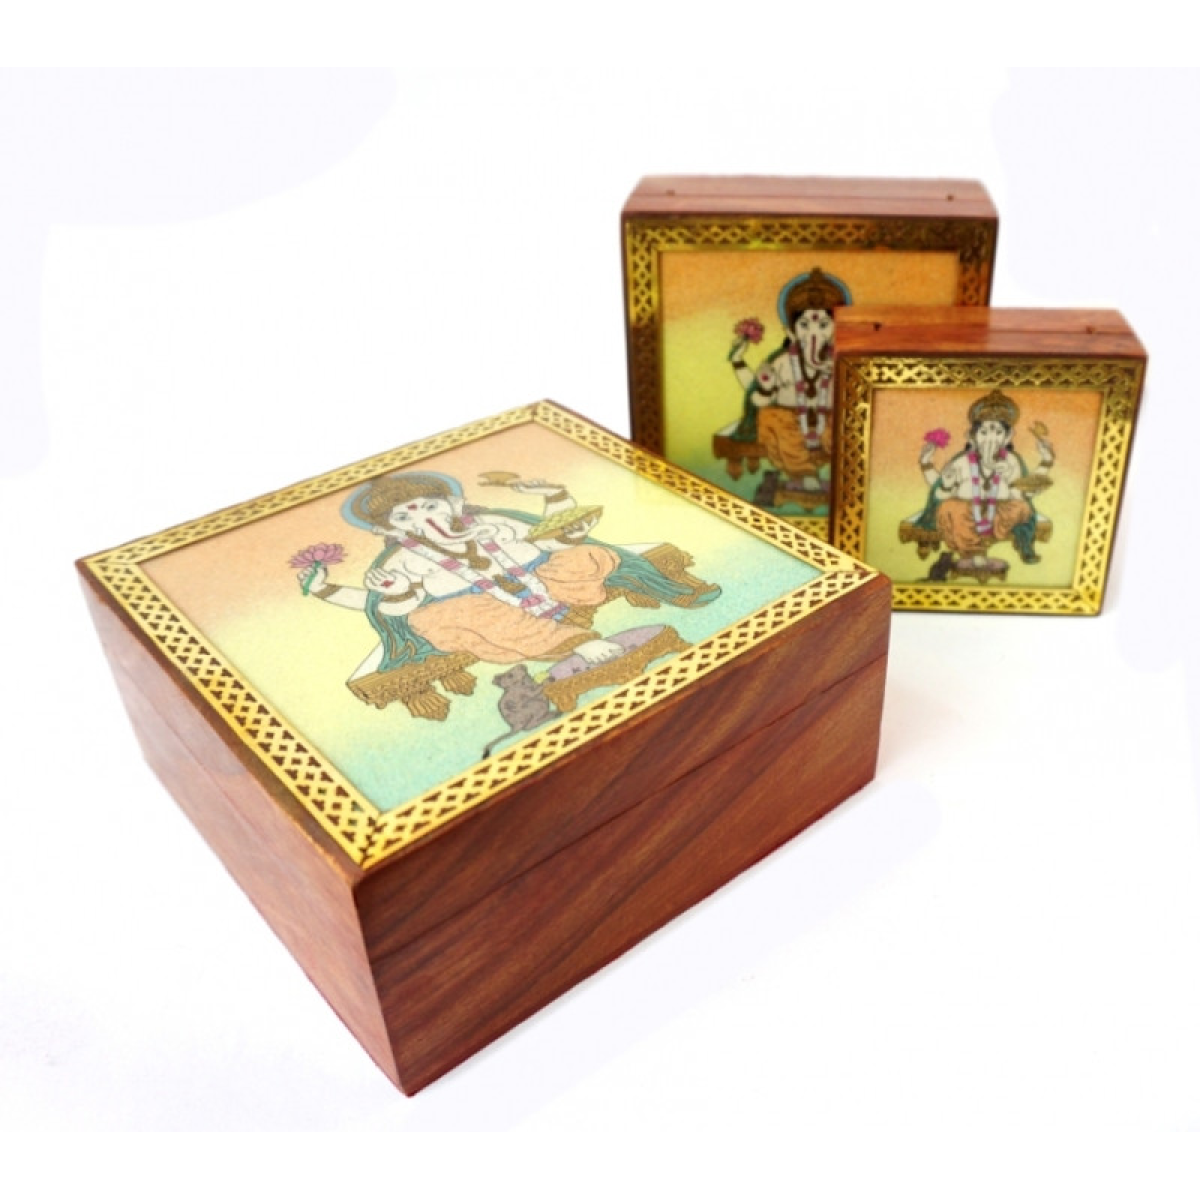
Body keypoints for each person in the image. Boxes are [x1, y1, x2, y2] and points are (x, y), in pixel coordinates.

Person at [300, 471, 718, 711]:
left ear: (453, 505)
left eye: (430, 506)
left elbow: (553, 536)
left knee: (584, 555)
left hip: (544, 584)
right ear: (388, 529)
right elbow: (381, 605)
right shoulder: (402, 559)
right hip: (485, 612)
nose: (422, 518)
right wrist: (329, 590)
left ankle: (671, 588)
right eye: (405, 517)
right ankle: (577, 644)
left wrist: (555, 497)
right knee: (457, 613)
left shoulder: (494, 522)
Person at [724, 269, 850, 504]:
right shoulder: (781, 362)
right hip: (788, 423)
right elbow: (756, 394)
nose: (814, 333)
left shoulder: (840, 361)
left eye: (824, 325)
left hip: (826, 422)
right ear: (791, 331)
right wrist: (741, 363)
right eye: (805, 325)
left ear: (837, 329)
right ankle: (804, 474)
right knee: (773, 417)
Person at [910, 391, 1055, 581]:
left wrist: (1046, 461)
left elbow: (1021, 494)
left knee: (1022, 508)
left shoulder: (1011, 461)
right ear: (973, 436)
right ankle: (972, 553)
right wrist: (928, 466)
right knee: (950, 507)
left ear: (1007, 437)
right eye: (984, 432)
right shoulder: (962, 461)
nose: (990, 439)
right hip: (966, 513)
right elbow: (939, 492)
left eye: (998, 433)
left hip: (1000, 514)